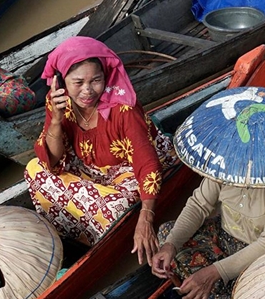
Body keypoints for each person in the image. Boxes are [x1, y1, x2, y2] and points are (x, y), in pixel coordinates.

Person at [24, 37, 176, 261]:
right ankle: (77, 236)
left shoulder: (124, 109)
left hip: (132, 169)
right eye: (77, 83)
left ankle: (108, 247)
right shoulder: (57, 102)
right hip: (93, 166)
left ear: (106, 76)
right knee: (34, 170)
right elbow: (54, 160)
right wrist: (56, 120)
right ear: (62, 81)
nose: (87, 91)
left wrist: (146, 217)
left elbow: (147, 165)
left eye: (96, 80)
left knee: (115, 208)